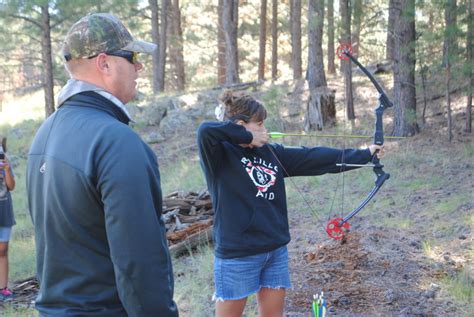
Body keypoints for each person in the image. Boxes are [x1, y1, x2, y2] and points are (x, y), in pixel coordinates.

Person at [27, 13, 178, 316]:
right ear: (105, 63)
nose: (139, 66)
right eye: (132, 57)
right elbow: (139, 262)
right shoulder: (116, 141)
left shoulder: (45, 133)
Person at [197, 91, 385, 317]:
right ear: (240, 125)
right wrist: (246, 136)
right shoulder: (219, 155)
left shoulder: (269, 153)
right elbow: (205, 130)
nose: (264, 128)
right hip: (238, 255)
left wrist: (364, 154)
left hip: (274, 251)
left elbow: (314, 158)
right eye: (260, 123)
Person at [0, 145, 15, 301]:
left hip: (3, 212)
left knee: (2, 250)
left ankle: (3, 289)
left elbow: (11, 186)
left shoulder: (4, 161)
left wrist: (7, 170)